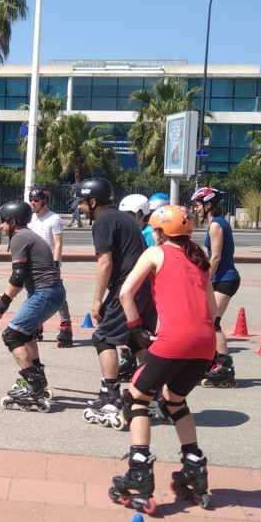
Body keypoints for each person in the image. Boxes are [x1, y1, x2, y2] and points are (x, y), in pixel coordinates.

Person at [107, 205, 218, 513]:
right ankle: (194, 466)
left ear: (159, 232)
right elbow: (212, 307)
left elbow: (125, 293)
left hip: (174, 339)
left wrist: (137, 329)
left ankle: (139, 471)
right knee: (174, 401)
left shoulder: (156, 253)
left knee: (136, 399)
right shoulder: (199, 257)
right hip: (205, 342)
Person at [73, 177, 155, 428]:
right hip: (144, 288)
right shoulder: (123, 218)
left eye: (81, 202)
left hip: (127, 289)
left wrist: (97, 299)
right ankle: (154, 392)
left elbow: (105, 262)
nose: (79, 207)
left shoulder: (103, 221)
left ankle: (110, 394)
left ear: (93, 201)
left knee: (103, 338)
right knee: (136, 340)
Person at [0, 200, 66, 412]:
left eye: (3, 221)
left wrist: (3, 302)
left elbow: (18, 275)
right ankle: (37, 376)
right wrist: (7, 292)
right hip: (53, 292)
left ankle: (33, 384)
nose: (1, 226)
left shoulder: (19, 237)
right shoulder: (28, 235)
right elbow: (25, 275)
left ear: (12, 221)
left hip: (45, 293)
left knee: (12, 335)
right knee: (25, 333)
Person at [191, 187, 240, 388]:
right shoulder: (216, 223)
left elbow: (217, 257)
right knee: (206, 321)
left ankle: (224, 369)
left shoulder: (216, 225)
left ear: (208, 204)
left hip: (225, 279)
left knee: (213, 323)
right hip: (220, 278)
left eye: (197, 205)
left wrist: (204, 279)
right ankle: (212, 364)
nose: (196, 209)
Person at [28, 186, 74, 347]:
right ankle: (37, 323)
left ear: (44, 201)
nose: (33, 203)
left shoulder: (54, 219)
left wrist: (55, 264)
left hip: (50, 264)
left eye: (36, 200)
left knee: (57, 294)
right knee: (35, 294)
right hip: (34, 263)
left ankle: (66, 325)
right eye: (31, 200)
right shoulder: (31, 219)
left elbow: (58, 244)